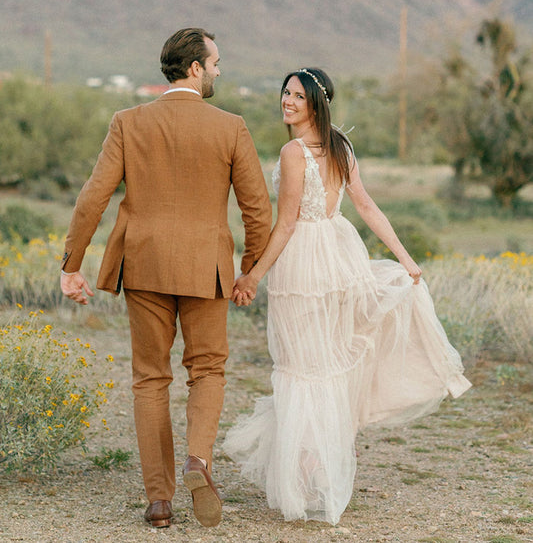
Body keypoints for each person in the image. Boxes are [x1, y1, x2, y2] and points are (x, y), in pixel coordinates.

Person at [224, 67, 471, 526]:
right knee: (323, 363)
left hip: (305, 264)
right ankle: (322, 463)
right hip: (339, 257)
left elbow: (289, 223)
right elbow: (364, 207)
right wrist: (405, 257)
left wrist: (254, 275)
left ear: (316, 102)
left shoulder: (294, 151)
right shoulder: (341, 145)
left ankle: (313, 469)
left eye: (297, 95)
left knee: (301, 364)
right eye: (285, 92)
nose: (287, 101)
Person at [60, 28, 272, 529]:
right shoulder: (231, 127)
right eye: (216, 61)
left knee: (150, 378)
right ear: (195, 67)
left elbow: (93, 197)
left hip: (145, 264)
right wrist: (249, 271)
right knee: (207, 370)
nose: (220, 69)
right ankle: (199, 461)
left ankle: (159, 501)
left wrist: (72, 266)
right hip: (208, 267)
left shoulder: (128, 122)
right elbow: (257, 209)